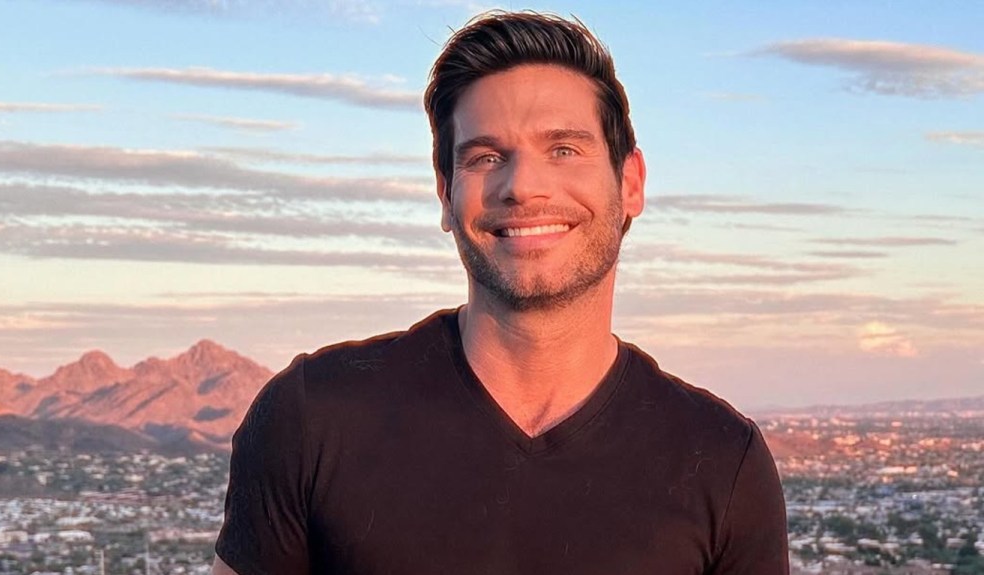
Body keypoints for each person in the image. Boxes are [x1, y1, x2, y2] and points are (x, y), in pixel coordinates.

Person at [213, 11, 788, 575]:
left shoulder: (719, 461)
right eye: (487, 157)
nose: (523, 187)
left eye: (563, 148)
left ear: (630, 182)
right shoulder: (313, 418)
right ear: (445, 194)